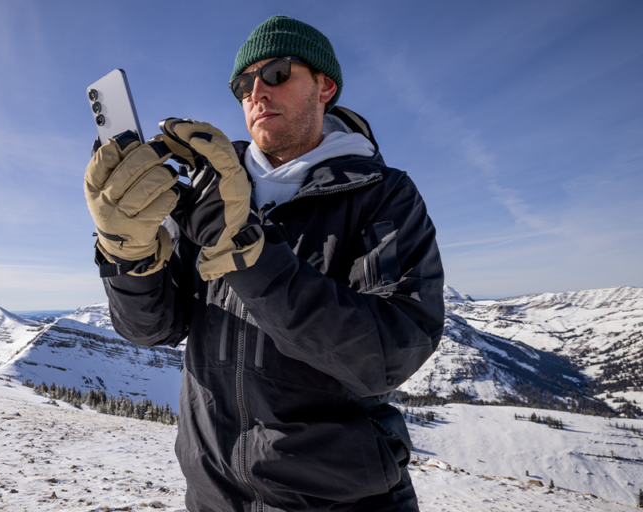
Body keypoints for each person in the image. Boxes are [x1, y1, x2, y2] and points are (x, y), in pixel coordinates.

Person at [83, 15, 444, 512]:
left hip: (339, 502)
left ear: (325, 86)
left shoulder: (382, 194)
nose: (256, 91)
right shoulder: (208, 191)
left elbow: (391, 352)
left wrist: (251, 255)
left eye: (276, 73)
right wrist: (129, 259)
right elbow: (154, 329)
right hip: (212, 495)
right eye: (242, 83)